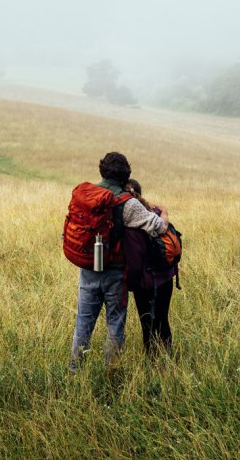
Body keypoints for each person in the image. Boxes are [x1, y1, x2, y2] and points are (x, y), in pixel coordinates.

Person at [69, 152, 168, 371]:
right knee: (115, 324)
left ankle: (75, 370)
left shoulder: (86, 195)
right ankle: (111, 372)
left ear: (102, 170)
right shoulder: (128, 203)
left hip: (88, 269)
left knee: (83, 323)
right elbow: (158, 227)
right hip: (115, 272)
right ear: (126, 174)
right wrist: (164, 214)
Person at [123, 178, 177, 356]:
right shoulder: (155, 212)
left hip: (144, 283)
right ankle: (168, 359)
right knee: (163, 319)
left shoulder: (130, 222)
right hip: (166, 277)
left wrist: (131, 284)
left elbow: (135, 261)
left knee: (147, 323)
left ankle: (152, 361)